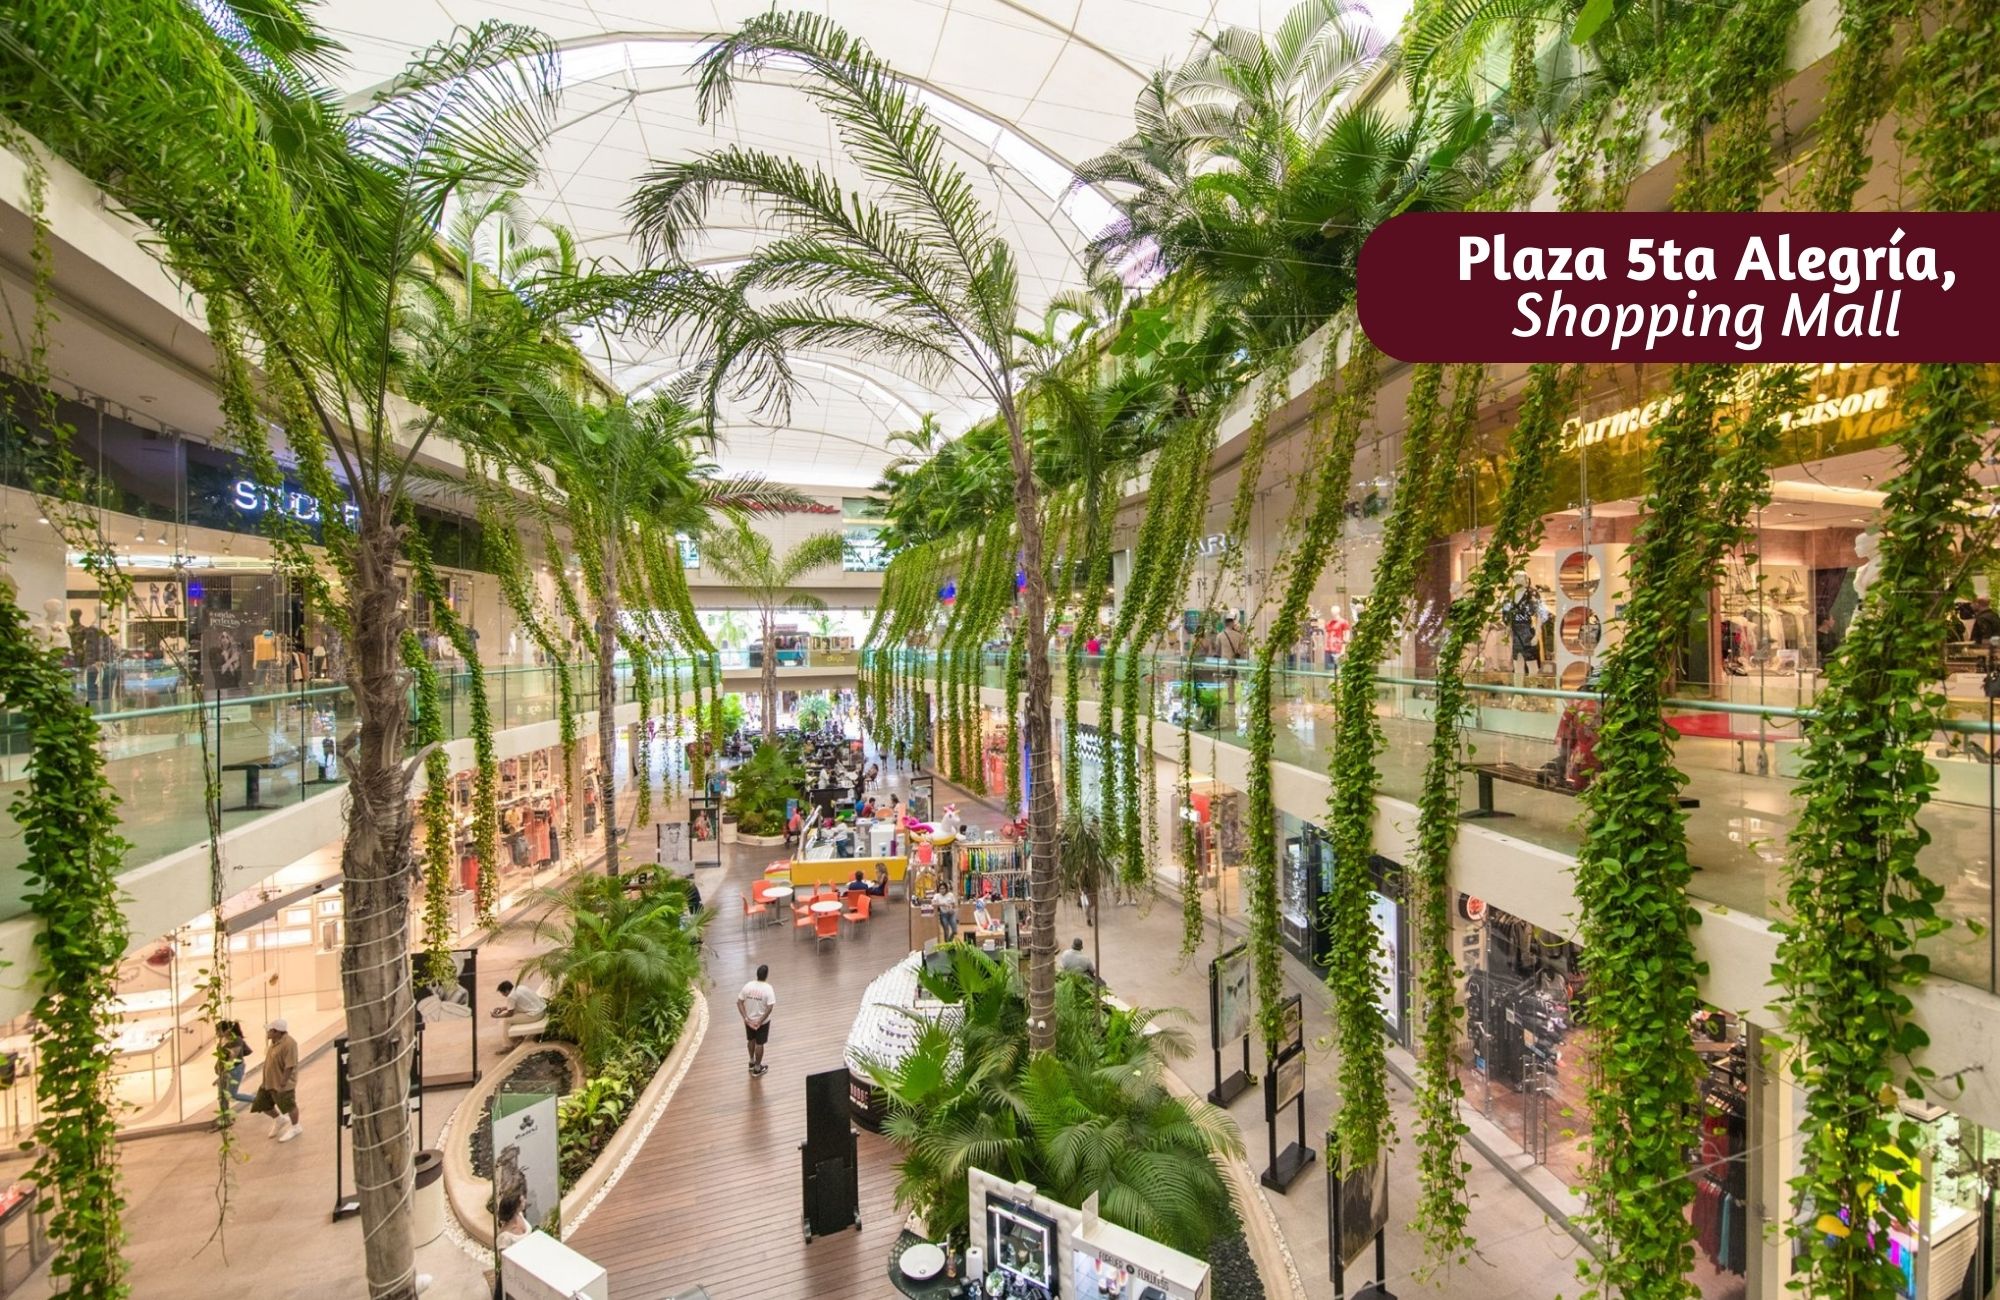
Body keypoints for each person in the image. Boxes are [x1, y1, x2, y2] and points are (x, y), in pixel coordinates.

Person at [248, 1019, 301, 1141]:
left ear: (277, 1031)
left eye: (269, 1031)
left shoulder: (289, 1043)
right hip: (268, 1082)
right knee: (261, 1104)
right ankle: (279, 1119)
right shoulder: (274, 1042)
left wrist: (283, 1083)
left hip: (281, 1083)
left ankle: (296, 1127)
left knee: (289, 1105)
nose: (267, 1033)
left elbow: (290, 1065)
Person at [738, 964, 776, 1077]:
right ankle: (757, 1068)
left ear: (757, 974)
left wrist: (746, 1018)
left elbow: (739, 1002)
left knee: (751, 1040)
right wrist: (760, 1021)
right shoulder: (768, 988)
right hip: (762, 1023)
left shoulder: (748, 986)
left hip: (749, 1021)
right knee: (760, 1044)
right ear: (766, 975)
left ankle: (751, 1062)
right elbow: (770, 1007)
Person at [216, 1019, 254, 1108]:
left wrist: (223, 1072)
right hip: (225, 1069)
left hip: (234, 1069)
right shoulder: (222, 1040)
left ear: (227, 1030)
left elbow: (232, 1059)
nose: (217, 1033)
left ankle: (257, 1100)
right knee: (222, 1094)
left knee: (232, 1095)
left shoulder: (236, 1041)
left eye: (218, 1031)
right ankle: (225, 1114)